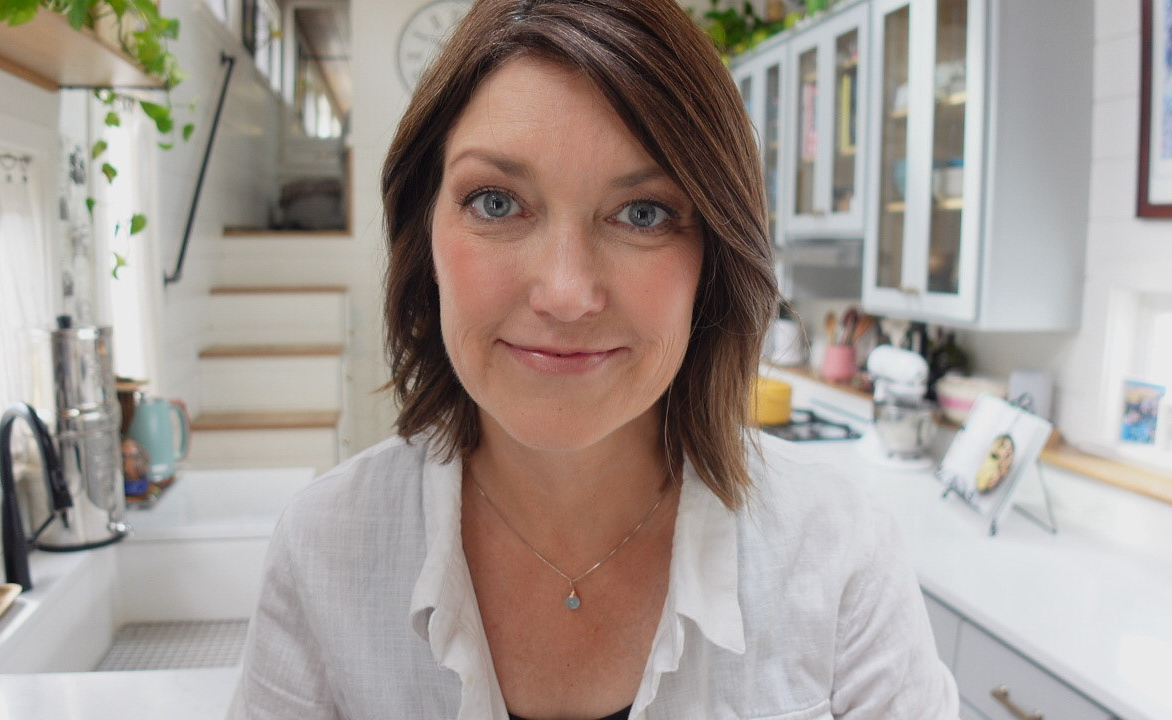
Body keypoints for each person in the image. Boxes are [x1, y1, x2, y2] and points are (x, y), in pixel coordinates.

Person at [228, 0, 958, 718]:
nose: (567, 293)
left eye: (643, 213)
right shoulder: (325, 549)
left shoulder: (839, 553)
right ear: (424, 240)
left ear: (711, 261)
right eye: (495, 202)